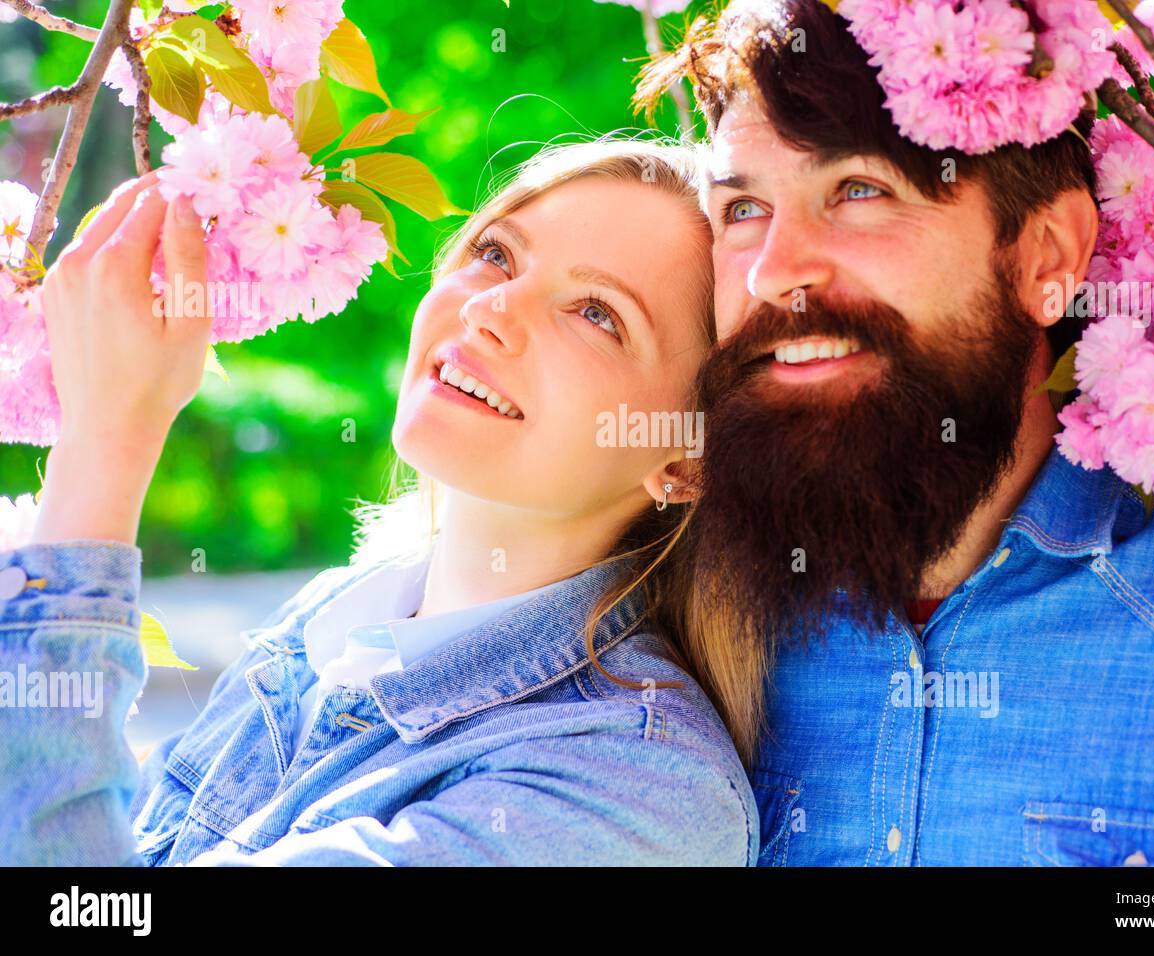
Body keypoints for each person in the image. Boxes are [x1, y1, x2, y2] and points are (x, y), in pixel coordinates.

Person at [636, 0, 1154, 866]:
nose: (775, 271)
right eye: (744, 210)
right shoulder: (653, 608)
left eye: (861, 190)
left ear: (1044, 257)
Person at [0, 137, 759, 866]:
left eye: (597, 313)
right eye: (497, 254)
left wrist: (106, 443)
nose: (489, 309)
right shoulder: (325, 628)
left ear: (687, 459)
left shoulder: (640, 794)